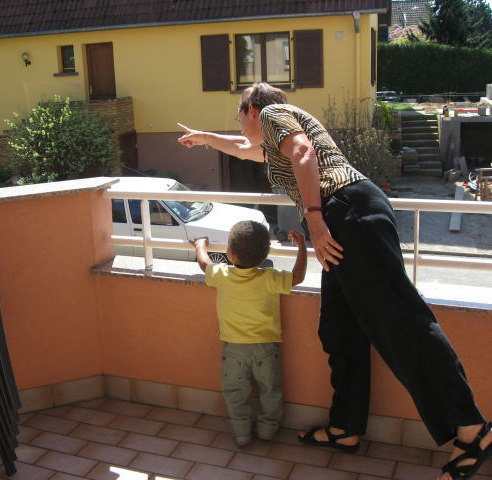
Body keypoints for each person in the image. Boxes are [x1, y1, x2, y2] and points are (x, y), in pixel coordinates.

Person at [178, 82, 491, 480]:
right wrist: (205, 138)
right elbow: (242, 147)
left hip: (347, 211)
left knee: (403, 321)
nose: (239, 126)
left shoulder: (273, 114)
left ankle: (473, 428)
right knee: (339, 329)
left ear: (251, 110)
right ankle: (345, 428)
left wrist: (313, 217)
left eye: (239, 118)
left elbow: (304, 152)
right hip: (341, 217)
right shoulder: (273, 139)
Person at [192, 220, 306, 446]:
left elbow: (204, 263)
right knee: (270, 391)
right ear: (265, 255)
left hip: (234, 348)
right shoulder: (270, 277)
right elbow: (297, 277)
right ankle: (267, 429)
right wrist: (302, 247)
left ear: (231, 254)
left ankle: (242, 432)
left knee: (235, 392)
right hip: (267, 347)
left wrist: (200, 244)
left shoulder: (222, 274)